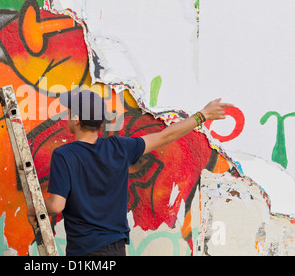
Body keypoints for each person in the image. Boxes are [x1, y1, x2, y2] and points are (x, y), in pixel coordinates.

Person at [27, 89, 233, 256]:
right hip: (116, 249)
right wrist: (202, 115)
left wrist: (34, 208)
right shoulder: (119, 148)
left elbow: (55, 205)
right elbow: (164, 136)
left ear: (77, 120)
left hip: (84, 251)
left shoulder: (64, 155)